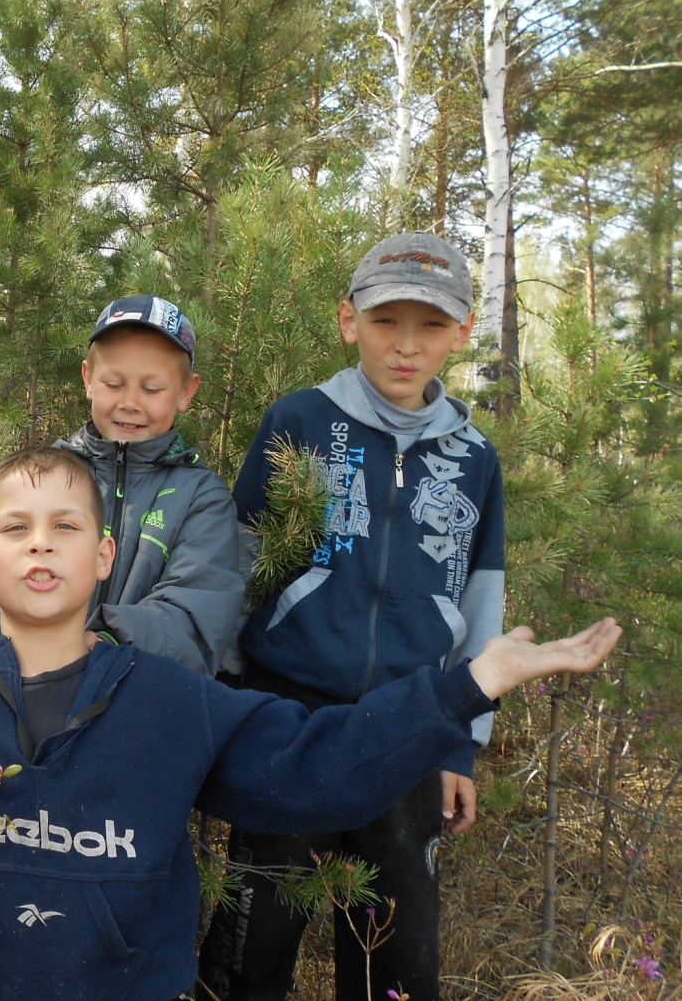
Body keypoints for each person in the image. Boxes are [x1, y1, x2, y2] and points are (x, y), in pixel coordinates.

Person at [0, 446, 616, 1001]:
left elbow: (323, 769)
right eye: (14, 528)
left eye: (64, 527)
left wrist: (472, 678)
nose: (39, 545)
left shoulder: (170, 703)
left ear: (103, 558)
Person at [201, 232, 506, 1001]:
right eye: (384, 322)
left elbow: (480, 595)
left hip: (409, 721)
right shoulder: (299, 420)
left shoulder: (473, 454)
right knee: (254, 929)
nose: (405, 346)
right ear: (347, 320)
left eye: (430, 326)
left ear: (461, 333)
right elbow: (240, 564)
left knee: (395, 949)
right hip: (285, 718)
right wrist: (227, 702)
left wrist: (461, 739)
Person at [55, 294, 243, 674]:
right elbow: (7, 577)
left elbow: (197, 613)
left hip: (142, 691)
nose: (130, 402)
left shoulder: (203, 499)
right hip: (34, 680)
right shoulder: (50, 477)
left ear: (186, 392)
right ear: (88, 379)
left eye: (152, 389)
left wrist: (104, 643)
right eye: (113, 383)